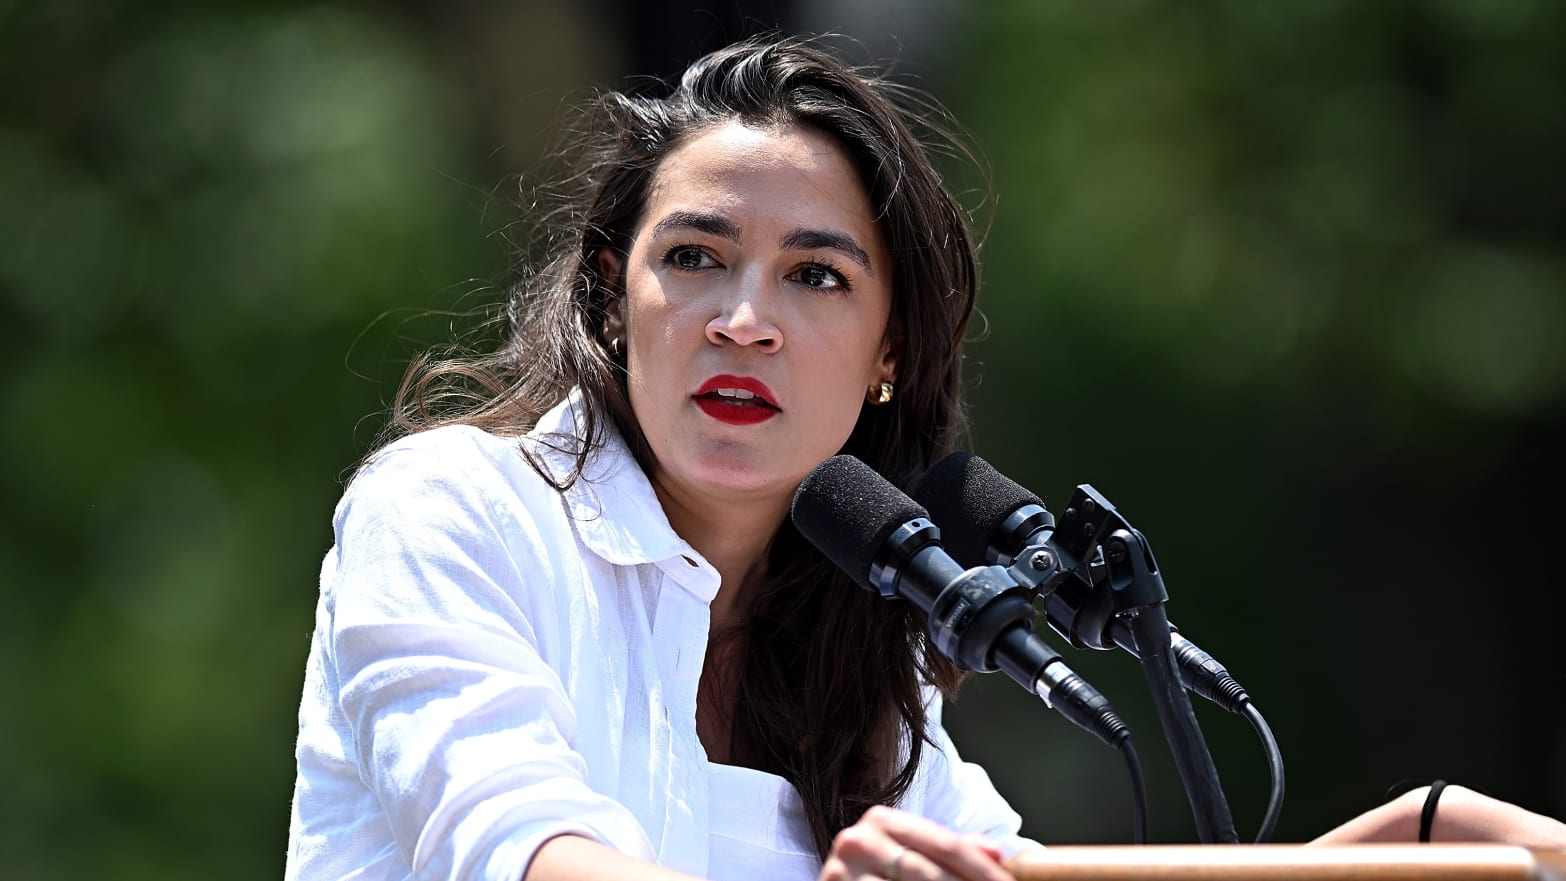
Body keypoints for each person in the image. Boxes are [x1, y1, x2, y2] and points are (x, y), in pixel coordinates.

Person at [285, 34, 1566, 881]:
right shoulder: (453, 510)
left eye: (816, 275)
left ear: (890, 352)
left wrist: (1408, 844)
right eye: (693, 256)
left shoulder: (870, 645)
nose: (745, 316)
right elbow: (514, 837)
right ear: (614, 304)